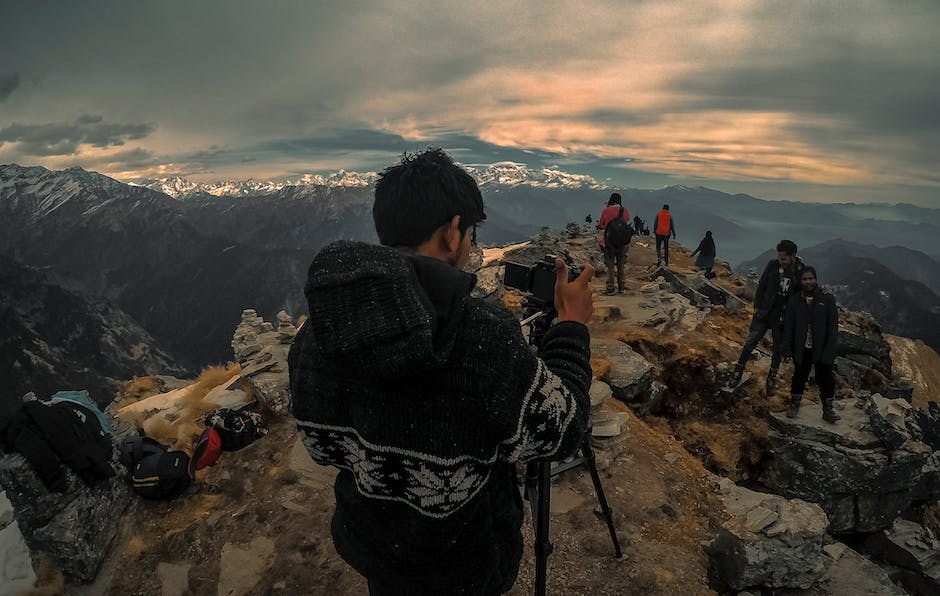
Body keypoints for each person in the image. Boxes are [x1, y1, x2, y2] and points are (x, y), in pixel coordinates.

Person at [288, 148, 595, 595]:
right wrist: (570, 328)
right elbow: (562, 429)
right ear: (453, 233)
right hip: (465, 567)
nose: (470, 244)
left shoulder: (317, 332)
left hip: (376, 551)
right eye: (470, 232)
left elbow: (321, 445)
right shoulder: (483, 338)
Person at [729, 240, 805, 394]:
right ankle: (738, 371)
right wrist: (757, 307)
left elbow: (800, 296)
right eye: (779, 257)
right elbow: (762, 284)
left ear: (793, 256)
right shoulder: (772, 265)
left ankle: (771, 379)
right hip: (764, 313)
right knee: (750, 342)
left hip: (782, 318)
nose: (780, 260)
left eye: (783, 258)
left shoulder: (799, 271)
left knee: (777, 349)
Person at [781, 267, 840, 423]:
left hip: (822, 347)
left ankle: (828, 410)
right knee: (799, 377)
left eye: (811, 278)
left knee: (826, 379)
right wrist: (786, 348)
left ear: (816, 279)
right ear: (800, 282)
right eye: (805, 279)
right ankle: (794, 404)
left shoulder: (827, 299)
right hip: (802, 348)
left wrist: (829, 350)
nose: (808, 282)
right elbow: (789, 327)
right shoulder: (794, 301)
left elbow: (833, 327)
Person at [596, 192, 631, 295]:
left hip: (609, 242)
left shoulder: (606, 210)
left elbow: (601, 224)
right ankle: (621, 287)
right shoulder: (625, 211)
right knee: (621, 265)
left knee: (610, 266)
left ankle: (610, 287)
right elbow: (626, 222)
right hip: (622, 242)